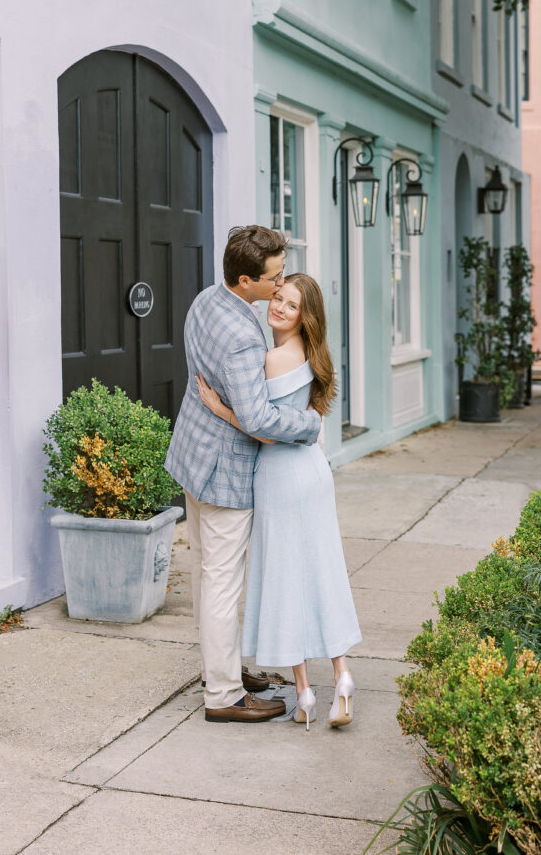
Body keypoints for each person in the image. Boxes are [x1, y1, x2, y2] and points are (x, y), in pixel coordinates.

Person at [165, 226, 321, 724]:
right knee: (221, 581)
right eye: (274, 278)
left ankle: (222, 670)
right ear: (247, 278)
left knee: (208, 574)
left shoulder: (208, 299)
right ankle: (225, 696)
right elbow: (258, 420)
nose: (280, 287)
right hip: (223, 471)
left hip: (194, 456)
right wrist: (310, 424)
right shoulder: (241, 336)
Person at [196, 273, 361, 729]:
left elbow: (262, 426)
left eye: (291, 305)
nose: (280, 308)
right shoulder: (315, 355)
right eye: (279, 298)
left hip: (281, 477)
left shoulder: (272, 359)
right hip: (313, 473)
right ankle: (342, 676)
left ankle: (305, 692)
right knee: (322, 570)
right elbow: (304, 419)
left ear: (305, 316)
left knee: (286, 578)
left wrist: (217, 408)